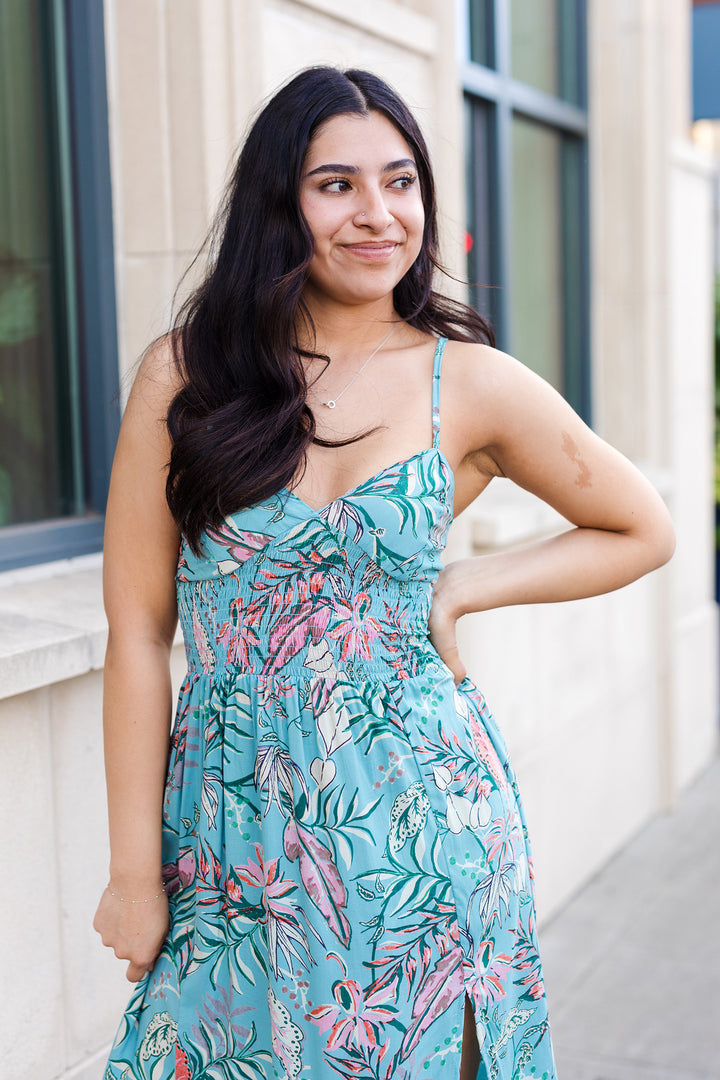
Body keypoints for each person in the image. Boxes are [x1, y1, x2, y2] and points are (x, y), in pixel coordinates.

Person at [94, 66, 675, 1080]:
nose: (379, 214)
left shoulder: (471, 383)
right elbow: (139, 633)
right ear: (282, 204)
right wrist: (133, 874)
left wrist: (463, 588)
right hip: (233, 823)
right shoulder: (185, 374)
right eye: (338, 185)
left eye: (401, 183)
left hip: (424, 817)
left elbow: (639, 525)